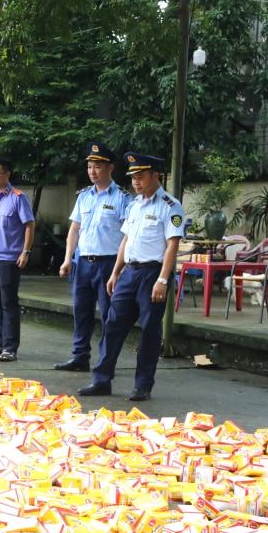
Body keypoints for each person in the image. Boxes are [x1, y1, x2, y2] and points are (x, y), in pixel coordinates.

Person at [79, 152, 184, 400]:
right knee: (112, 325)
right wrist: (115, 272)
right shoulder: (134, 205)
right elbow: (125, 240)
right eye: (133, 178)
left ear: (155, 176)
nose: (136, 182)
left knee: (149, 329)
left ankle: (143, 386)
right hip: (129, 272)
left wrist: (162, 280)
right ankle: (101, 380)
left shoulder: (170, 205)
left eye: (141, 177)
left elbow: (172, 245)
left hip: (152, 274)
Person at [54, 142, 133, 372]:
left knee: (110, 315)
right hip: (84, 263)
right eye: (89, 167)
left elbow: (128, 236)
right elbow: (74, 230)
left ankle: (105, 361)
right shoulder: (84, 197)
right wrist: (67, 259)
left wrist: (120, 269)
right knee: (81, 312)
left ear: (110, 168)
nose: (92, 171)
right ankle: (79, 356)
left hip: (109, 264)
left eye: (97, 166)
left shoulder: (123, 198)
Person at [0, 156, 35, 363]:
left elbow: (29, 224)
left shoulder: (18, 198)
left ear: (7, 174)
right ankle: (0, 343)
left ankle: (11, 347)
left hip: (9, 258)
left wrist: (25, 252)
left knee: (9, 303)